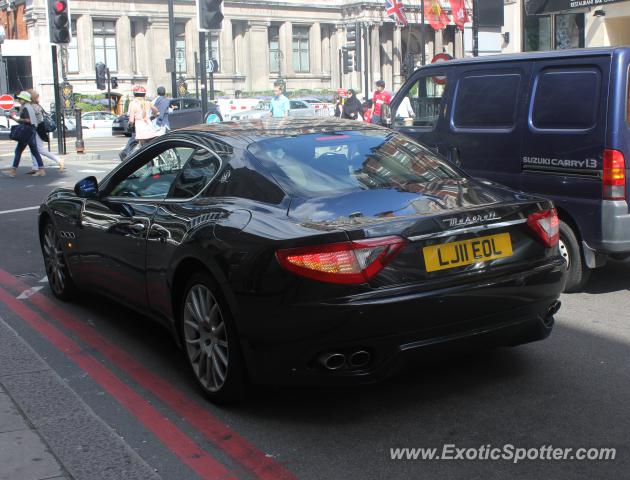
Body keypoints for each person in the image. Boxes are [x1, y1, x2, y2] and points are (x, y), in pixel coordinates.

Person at [1, 91, 45, 178]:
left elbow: (28, 120)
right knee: (34, 150)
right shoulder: (29, 107)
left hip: (26, 132)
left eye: (20, 98)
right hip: (31, 130)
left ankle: (13, 171)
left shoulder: (25, 108)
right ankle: (41, 170)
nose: (19, 100)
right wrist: (13, 118)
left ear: (24, 99)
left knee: (18, 151)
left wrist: (18, 119)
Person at [28, 89, 64, 172]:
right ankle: (35, 166)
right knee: (33, 147)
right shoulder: (36, 105)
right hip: (37, 128)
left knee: (39, 149)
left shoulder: (33, 106)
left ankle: (58, 160)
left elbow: (35, 119)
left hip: (38, 129)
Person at [120, 85, 158, 161]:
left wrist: (130, 124)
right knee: (150, 147)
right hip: (149, 125)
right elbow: (155, 111)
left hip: (140, 127)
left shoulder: (133, 103)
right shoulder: (148, 102)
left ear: (134, 94)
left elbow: (131, 119)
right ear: (144, 94)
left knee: (144, 150)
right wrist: (153, 116)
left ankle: (149, 167)